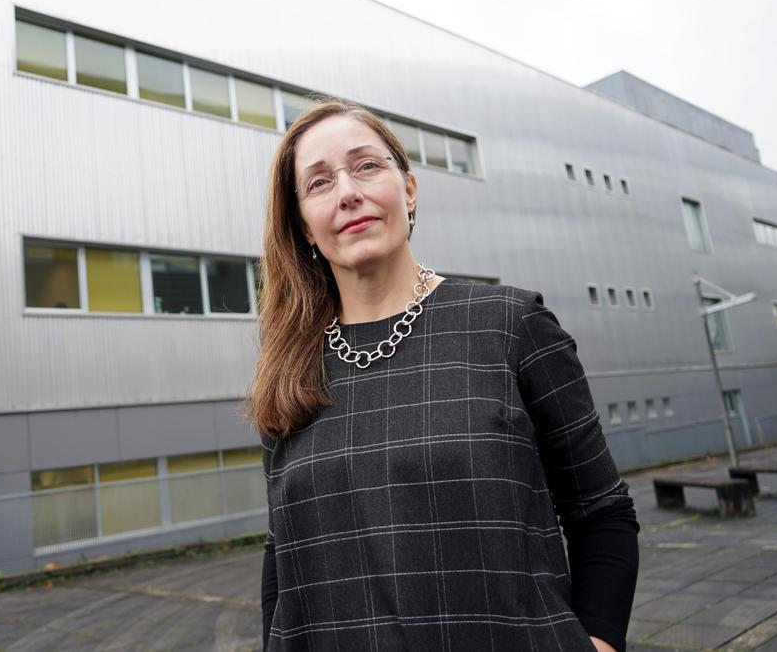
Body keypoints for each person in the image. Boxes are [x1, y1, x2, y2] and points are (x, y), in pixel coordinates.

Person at [245, 98, 639, 651]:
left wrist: (598, 644)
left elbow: (602, 511)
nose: (347, 192)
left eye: (366, 166)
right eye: (318, 183)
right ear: (305, 227)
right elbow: (280, 557)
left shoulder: (510, 325)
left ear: (408, 189)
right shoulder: (289, 372)